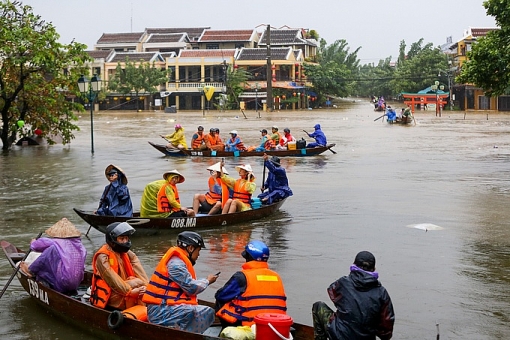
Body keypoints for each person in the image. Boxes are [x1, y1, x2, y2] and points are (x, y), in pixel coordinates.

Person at [142, 231, 219, 333]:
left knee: (199, 309)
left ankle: (182, 332)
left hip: (165, 307)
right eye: (198, 250)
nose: (199, 254)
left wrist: (205, 280)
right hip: (159, 311)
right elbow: (192, 288)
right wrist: (207, 281)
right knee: (207, 312)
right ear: (190, 248)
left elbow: (189, 283)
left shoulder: (178, 261)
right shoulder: (176, 265)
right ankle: (185, 336)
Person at [312, 251, 395, 340]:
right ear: (374, 269)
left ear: (353, 266)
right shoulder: (382, 293)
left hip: (340, 336)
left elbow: (332, 292)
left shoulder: (343, 283)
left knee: (318, 306)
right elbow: (386, 332)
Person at [215, 240, 287, 328]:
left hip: (249, 325)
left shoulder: (242, 276)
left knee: (220, 301)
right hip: (276, 325)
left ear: (248, 257)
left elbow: (221, 296)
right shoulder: (277, 276)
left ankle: (226, 332)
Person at [90, 222, 149, 310]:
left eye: (126, 238)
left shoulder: (128, 253)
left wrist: (147, 287)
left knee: (140, 284)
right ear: (112, 240)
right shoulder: (102, 257)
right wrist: (130, 292)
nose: (125, 241)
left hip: (125, 286)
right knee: (135, 286)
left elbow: (140, 272)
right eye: (121, 239)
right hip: (111, 293)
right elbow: (113, 280)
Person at [19, 218, 86, 294]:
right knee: (54, 252)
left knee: (51, 251)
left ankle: (31, 270)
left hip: (62, 283)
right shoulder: (81, 247)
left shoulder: (57, 242)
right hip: (76, 283)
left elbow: (36, 246)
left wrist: (33, 241)